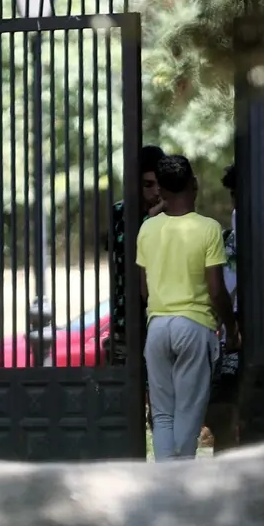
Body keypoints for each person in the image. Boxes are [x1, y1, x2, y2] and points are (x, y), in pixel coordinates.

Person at [137, 155, 238, 461]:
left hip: (157, 328)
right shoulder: (208, 229)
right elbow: (217, 290)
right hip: (194, 326)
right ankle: (181, 480)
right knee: (189, 413)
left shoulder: (147, 229)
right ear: (194, 184)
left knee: (163, 415)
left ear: (161, 191)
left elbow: (144, 290)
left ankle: (166, 483)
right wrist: (230, 329)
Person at [107, 144, 167, 366]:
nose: (156, 192)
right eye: (148, 185)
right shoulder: (119, 213)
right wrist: (151, 219)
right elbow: (129, 252)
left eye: (160, 184)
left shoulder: (173, 215)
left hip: (161, 321)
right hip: (125, 321)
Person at [206, 163, 241, 453]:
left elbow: (224, 285)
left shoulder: (234, 228)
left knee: (224, 402)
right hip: (240, 324)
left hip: (236, 325)